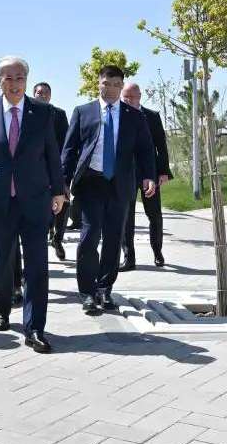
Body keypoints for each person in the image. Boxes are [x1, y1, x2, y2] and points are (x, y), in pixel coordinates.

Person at [0, 56, 66, 354]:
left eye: (19, 77)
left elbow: (52, 154)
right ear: (0, 82)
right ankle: (3, 308)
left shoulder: (43, 113)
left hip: (35, 200)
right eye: (8, 78)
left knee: (37, 265)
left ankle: (34, 327)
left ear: (26, 79)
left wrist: (59, 191)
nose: (14, 83)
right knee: (0, 261)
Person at [60, 65, 155, 316]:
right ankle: (87, 292)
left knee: (114, 237)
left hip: (120, 185)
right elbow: (69, 150)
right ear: (98, 83)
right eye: (106, 83)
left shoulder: (133, 116)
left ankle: (105, 288)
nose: (111, 89)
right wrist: (62, 183)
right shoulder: (83, 112)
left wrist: (148, 177)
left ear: (121, 87)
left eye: (116, 85)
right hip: (91, 183)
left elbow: (145, 149)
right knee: (90, 236)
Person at [120, 82, 173, 269]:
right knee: (127, 216)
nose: (128, 100)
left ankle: (157, 251)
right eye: (125, 97)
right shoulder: (118, 116)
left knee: (154, 215)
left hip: (149, 173)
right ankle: (129, 257)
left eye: (131, 97)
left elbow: (161, 146)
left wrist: (164, 171)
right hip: (126, 174)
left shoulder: (151, 116)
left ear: (139, 96)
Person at [33, 81, 70, 260]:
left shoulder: (59, 114)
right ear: (34, 94)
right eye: (39, 93)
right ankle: (45, 233)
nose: (43, 95)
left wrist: (64, 173)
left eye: (46, 93)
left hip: (57, 168)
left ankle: (57, 239)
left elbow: (66, 144)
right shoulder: (27, 113)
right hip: (35, 170)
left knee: (63, 205)